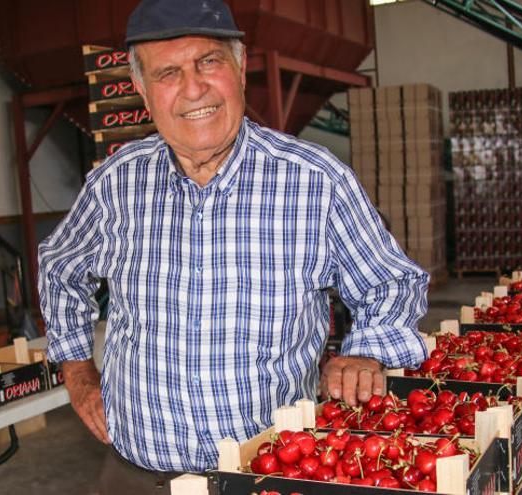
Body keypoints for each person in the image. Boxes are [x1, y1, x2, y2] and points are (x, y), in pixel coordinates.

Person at [38, 0, 429, 476]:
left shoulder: (315, 181)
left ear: (240, 68)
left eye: (209, 62)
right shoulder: (115, 184)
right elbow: (61, 268)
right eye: (167, 74)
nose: (193, 88)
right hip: (138, 469)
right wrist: (78, 374)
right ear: (142, 90)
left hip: (273, 470)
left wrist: (366, 349)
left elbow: (391, 282)